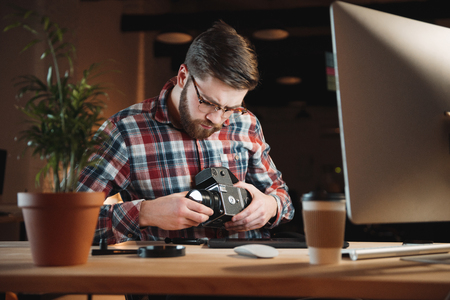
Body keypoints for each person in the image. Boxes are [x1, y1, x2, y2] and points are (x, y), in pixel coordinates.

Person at [77, 20, 294, 245]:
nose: (218, 119)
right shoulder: (124, 130)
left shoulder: (246, 122)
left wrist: (270, 206)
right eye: (208, 102)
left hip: (246, 269)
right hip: (172, 274)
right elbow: (70, 221)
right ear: (183, 76)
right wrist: (146, 213)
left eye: (230, 108)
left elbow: (284, 201)